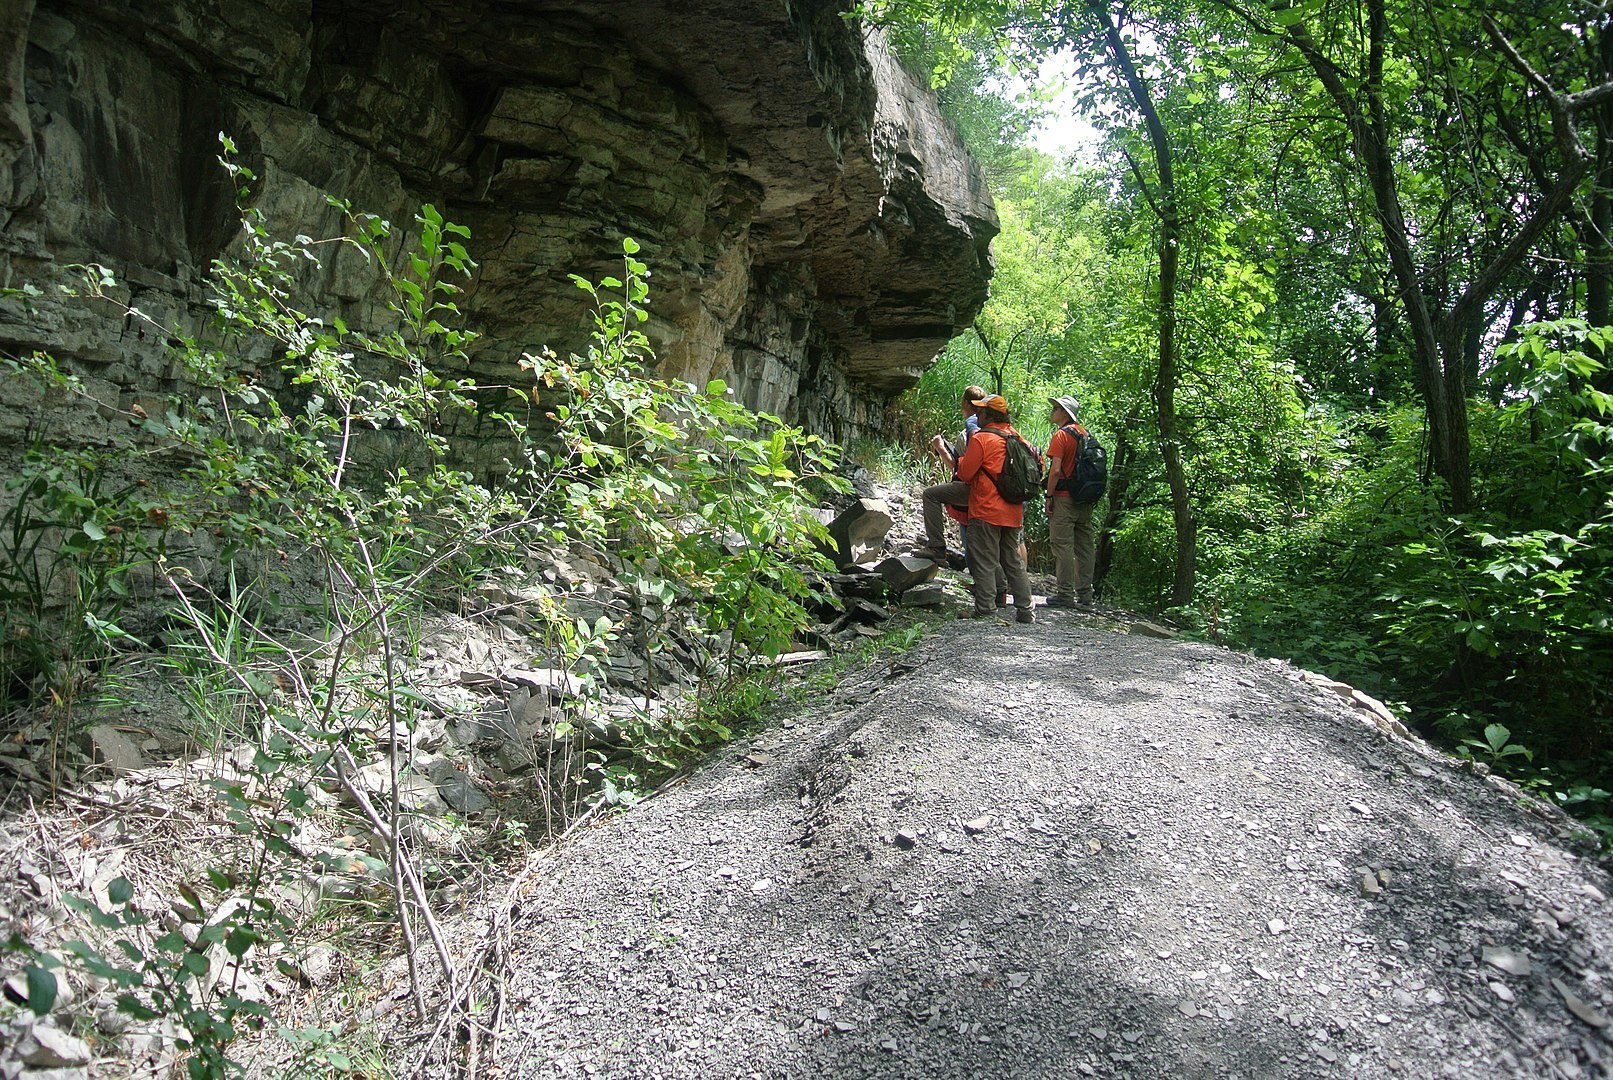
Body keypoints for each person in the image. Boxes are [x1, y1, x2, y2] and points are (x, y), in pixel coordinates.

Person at [955, 393, 1034, 623]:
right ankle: (1026, 610)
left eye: (980, 411)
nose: (977, 413)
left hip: (986, 509)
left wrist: (960, 462)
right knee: (1013, 561)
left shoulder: (982, 439)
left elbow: (966, 473)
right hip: (1013, 511)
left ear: (990, 415)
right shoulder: (1018, 438)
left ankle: (985, 608)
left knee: (984, 560)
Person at [916, 384, 987, 561]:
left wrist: (941, 448)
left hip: (975, 489)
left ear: (964, 403)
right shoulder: (992, 429)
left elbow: (959, 469)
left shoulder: (967, 434)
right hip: (995, 491)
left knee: (930, 495)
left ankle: (936, 547)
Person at [1044, 395, 1097, 609]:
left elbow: (1055, 470)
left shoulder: (1061, 436)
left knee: (1063, 545)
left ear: (1065, 413)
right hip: (1084, 499)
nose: (1052, 411)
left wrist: (1048, 496)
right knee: (1085, 546)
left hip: (1064, 499)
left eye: (1056, 408)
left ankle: (1064, 593)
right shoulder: (1086, 434)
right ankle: (1085, 594)